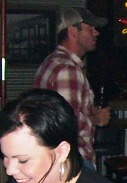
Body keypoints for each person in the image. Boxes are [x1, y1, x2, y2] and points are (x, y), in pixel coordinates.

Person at [33, 7, 111, 170]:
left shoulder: (52, 62)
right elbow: (68, 123)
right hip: (72, 160)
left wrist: (89, 112)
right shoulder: (67, 70)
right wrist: (97, 119)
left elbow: (56, 113)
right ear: (73, 31)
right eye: (91, 28)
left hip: (53, 159)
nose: (96, 33)